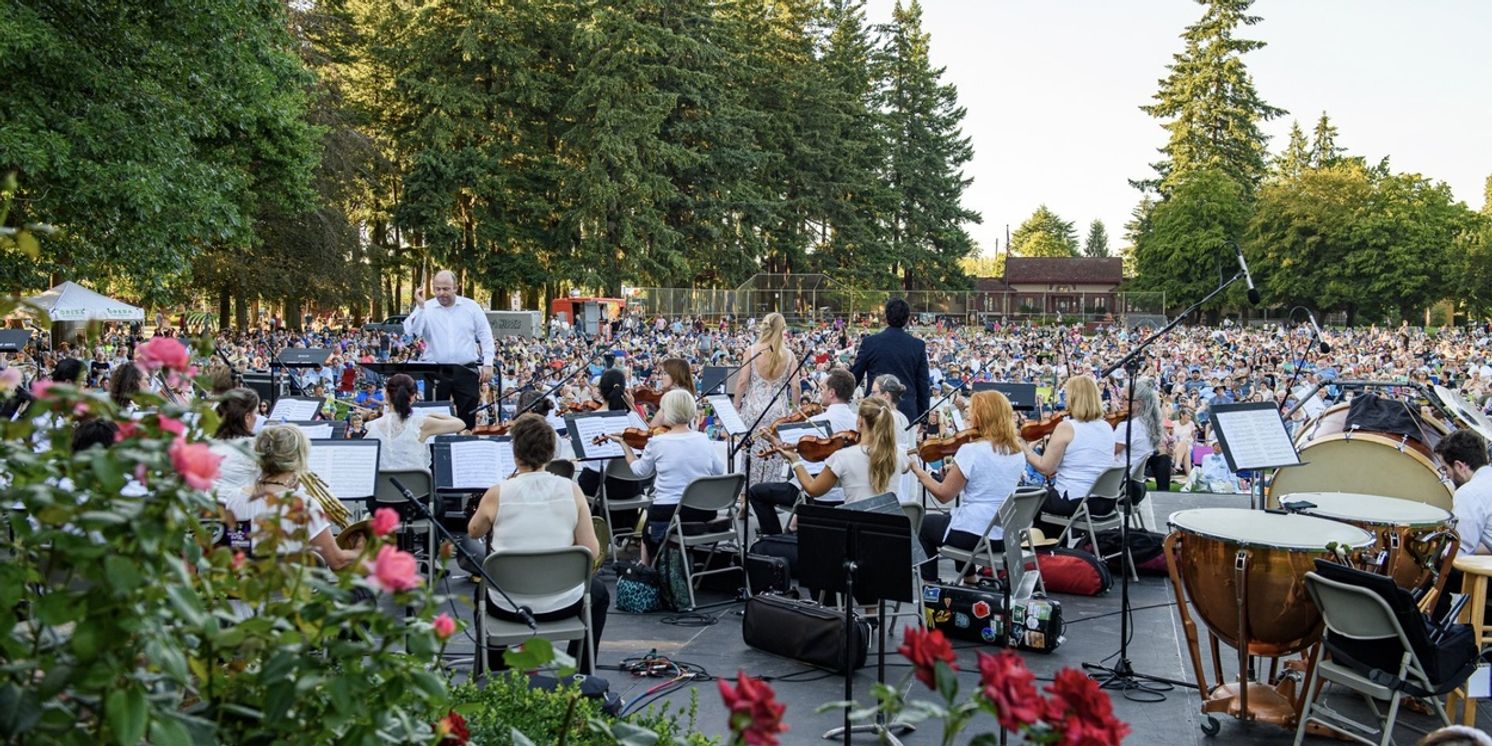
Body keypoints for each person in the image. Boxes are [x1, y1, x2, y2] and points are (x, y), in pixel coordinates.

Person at [468, 413, 607, 673]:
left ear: (515, 453)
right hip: (563, 602)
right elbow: (592, 551)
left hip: (508, 605)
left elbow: (474, 531)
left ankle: (495, 674)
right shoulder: (572, 489)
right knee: (598, 594)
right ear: (551, 452)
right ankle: (582, 676)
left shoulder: (498, 492)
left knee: (482, 592)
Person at [909, 391, 1026, 582]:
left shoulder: (971, 450)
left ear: (981, 416)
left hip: (975, 536)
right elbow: (989, 482)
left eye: (971, 412)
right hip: (1004, 536)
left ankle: (930, 589)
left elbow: (943, 495)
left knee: (925, 524)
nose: (968, 416)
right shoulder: (1017, 451)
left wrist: (919, 471)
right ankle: (970, 581)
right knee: (955, 517)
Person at [220, 425, 362, 569]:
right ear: (298, 461)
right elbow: (338, 562)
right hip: (291, 589)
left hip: (247, 587)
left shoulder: (235, 498)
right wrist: (360, 550)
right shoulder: (305, 504)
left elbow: (243, 546)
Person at [608, 390, 725, 564]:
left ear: (667, 412)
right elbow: (719, 471)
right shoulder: (703, 439)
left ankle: (646, 568)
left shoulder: (657, 442)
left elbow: (640, 472)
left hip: (670, 510)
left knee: (650, 516)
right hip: (704, 510)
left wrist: (625, 446)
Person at [747, 367, 859, 534]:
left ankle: (775, 539)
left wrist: (773, 440)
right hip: (846, 492)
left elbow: (793, 453)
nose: (820, 393)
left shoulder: (817, 421)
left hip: (815, 491)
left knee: (756, 492)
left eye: (822, 389)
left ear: (832, 393)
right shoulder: (856, 422)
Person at [765, 396, 908, 506]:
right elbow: (908, 466)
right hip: (889, 534)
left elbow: (813, 489)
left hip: (856, 531)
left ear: (860, 422)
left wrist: (795, 461)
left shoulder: (842, 457)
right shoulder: (899, 454)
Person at [401, 269, 496, 428]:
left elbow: (485, 335)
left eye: (446, 289)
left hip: (466, 369)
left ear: (456, 288)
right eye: (437, 289)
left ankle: (465, 449)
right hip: (436, 372)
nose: (441, 293)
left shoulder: (471, 307)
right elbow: (413, 331)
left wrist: (488, 362)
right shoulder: (426, 307)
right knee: (436, 418)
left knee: (468, 419)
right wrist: (420, 307)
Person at [1022, 375, 1116, 521]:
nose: (1064, 399)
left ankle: (1045, 542)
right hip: (1106, 501)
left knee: (1027, 499)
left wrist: (1025, 448)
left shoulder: (1067, 427)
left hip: (1077, 500)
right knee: (1048, 494)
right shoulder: (1106, 426)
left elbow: (1046, 468)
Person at [735, 312, 799, 489]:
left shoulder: (753, 350)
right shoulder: (789, 355)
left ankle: (745, 497)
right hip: (778, 411)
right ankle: (768, 494)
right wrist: (795, 409)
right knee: (775, 453)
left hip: (753, 409)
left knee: (750, 451)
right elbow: (796, 387)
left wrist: (736, 406)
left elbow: (742, 382)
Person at [849, 298, 930, 426]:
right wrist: (923, 418)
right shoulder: (917, 345)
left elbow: (854, 378)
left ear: (886, 317)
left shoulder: (870, 343)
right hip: (907, 413)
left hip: (875, 410)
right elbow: (923, 385)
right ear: (907, 318)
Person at [364, 373, 465, 472]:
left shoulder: (371, 426)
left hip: (382, 488)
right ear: (413, 397)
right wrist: (433, 414)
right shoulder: (420, 423)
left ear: (386, 395)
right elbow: (460, 424)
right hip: (416, 488)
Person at [1433, 429, 1491, 555]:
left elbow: (1458, 553)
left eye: (1445, 468)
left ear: (1459, 466)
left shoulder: (1469, 493)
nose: (1446, 475)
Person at [209, 388, 262, 499]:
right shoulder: (251, 447)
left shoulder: (210, 443)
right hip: (239, 512)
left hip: (210, 509)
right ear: (247, 417)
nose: (257, 418)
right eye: (256, 413)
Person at [1113, 377, 1165, 490]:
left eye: (1125, 398)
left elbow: (1107, 452)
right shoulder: (1149, 424)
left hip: (1119, 484)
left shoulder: (1129, 427)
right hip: (1136, 484)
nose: (1120, 402)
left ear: (1140, 402)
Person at [647, 358, 696, 429]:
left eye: (664, 373)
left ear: (676, 375)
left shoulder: (673, 398)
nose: (661, 377)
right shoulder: (686, 396)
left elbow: (652, 428)